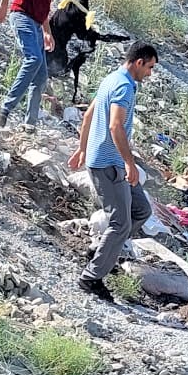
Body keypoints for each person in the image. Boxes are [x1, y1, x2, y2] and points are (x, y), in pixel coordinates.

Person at [67, 41, 159, 301]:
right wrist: (130, 163)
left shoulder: (113, 78)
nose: (150, 74)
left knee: (141, 210)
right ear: (138, 62)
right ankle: (91, 278)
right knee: (120, 223)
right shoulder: (123, 87)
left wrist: (81, 148)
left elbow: (88, 116)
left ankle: (101, 250)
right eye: (150, 67)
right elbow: (115, 127)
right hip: (109, 164)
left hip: (108, 161)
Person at [0, 0, 91, 128]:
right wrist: (3, 4)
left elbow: (45, 0)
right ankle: (4, 109)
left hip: (37, 23)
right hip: (21, 15)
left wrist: (47, 31)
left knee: (41, 75)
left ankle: (29, 125)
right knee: (34, 60)